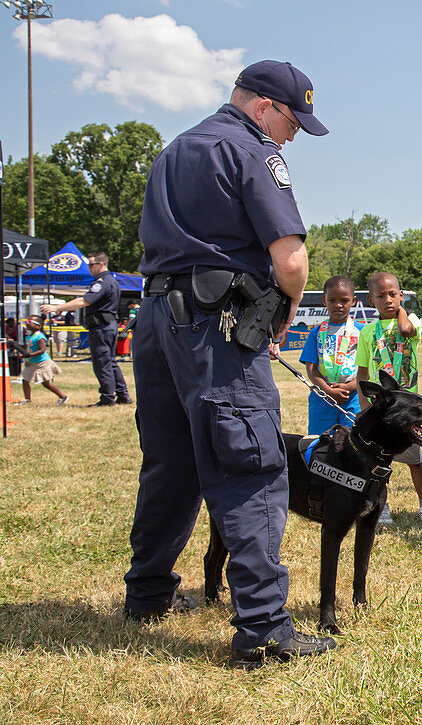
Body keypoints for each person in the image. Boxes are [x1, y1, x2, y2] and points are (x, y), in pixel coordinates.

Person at [122, 60, 335, 667]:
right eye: (293, 121)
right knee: (250, 463)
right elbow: (290, 261)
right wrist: (285, 310)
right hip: (215, 322)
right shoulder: (253, 150)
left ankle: (148, 595)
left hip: (158, 315)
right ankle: (264, 626)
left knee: (172, 461)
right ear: (264, 106)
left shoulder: (174, 149)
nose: (293, 135)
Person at [355, 271, 422, 526]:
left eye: (393, 294)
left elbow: (406, 330)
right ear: (371, 300)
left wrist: (401, 309)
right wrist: (363, 405)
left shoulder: (410, 319)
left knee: (414, 459)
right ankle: (382, 505)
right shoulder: (367, 332)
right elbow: (362, 370)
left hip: (407, 407)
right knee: (379, 460)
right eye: (380, 296)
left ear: (401, 296)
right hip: (380, 408)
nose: (388, 300)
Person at [41, 251, 132, 407]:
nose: (89, 268)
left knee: (102, 363)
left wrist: (58, 307)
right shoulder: (111, 281)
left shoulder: (102, 282)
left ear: (101, 264)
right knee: (110, 362)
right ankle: (122, 395)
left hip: (101, 327)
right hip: (107, 326)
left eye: (91, 265)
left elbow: (85, 301)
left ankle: (107, 398)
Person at [299, 275, 366, 435]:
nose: (338, 305)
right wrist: (327, 390)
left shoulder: (363, 332)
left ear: (353, 300)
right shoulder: (315, 333)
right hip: (321, 398)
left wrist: (349, 387)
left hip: (353, 398)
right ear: (324, 300)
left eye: (344, 300)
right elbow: (311, 369)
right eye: (332, 300)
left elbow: (367, 368)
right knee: (320, 441)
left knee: (352, 441)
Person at [13, 316, 68, 406]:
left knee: (45, 383)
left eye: (30, 321)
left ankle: (62, 397)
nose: (27, 323)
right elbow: (28, 349)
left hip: (42, 362)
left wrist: (29, 355)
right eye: (27, 321)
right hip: (31, 361)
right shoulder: (28, 337)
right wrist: (22, 353)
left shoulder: (40, 337)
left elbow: (42, 350)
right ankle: (27, 400)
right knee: (25, 380)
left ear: (38, 326)